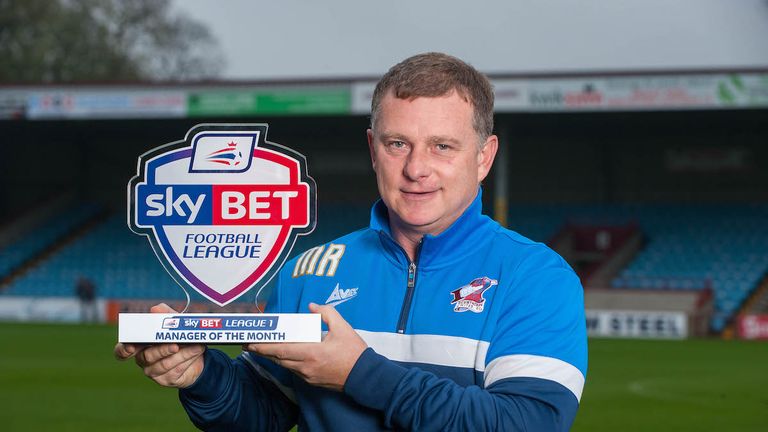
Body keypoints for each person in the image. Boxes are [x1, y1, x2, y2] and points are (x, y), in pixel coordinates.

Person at [115, 52, 587, 431]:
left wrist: (360, 374)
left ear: (484, 157)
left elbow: (526, 423)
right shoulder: (309, 271)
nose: (416, 168)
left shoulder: (535, 277)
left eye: (442, 146)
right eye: (397, 143)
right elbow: (264, 414)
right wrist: (199, 377)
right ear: (372, 150)